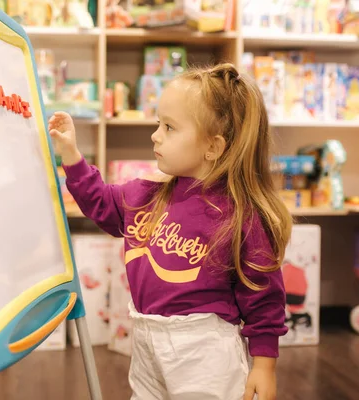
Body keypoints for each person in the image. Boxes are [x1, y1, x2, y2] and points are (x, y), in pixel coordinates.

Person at [48, 63, 292, 400]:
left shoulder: (239, 216)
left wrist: (264, 365)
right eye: (157, 124)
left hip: (204, 352)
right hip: (147, 339)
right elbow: (102, 205)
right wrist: (72, 156)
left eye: (169, 127)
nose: (155, 135)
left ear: (213, 147)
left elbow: (263, 295)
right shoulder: (147, 194)